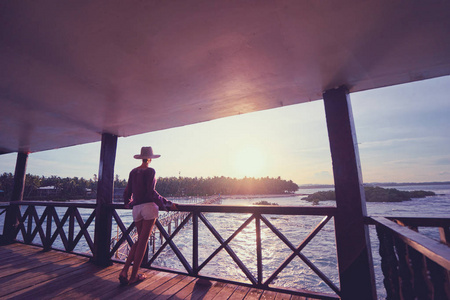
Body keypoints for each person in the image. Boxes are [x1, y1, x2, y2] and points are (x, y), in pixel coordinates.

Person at [119, 146, 177, 285]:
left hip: (136, 208)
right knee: (143, 242)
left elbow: (128, 191)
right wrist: (167, 204)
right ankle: (133, 276)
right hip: (148, 208)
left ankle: (124, 270)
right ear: (150, 158)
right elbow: (151, 192)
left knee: (139, 241)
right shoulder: (151, 171)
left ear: (141, 157)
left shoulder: (133, 171)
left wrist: (127, 203)